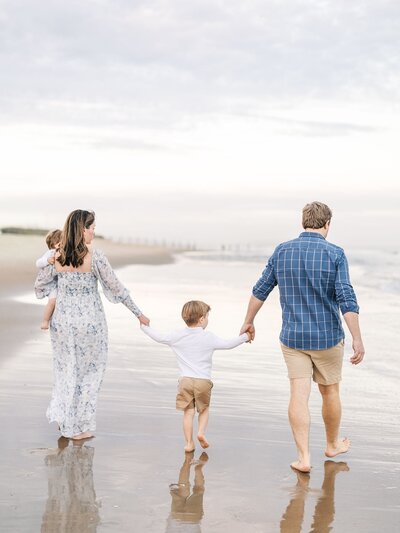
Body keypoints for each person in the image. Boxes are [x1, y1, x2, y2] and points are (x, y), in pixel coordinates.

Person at [240, 201, 365, 473]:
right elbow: (346, 297)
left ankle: (304, 458)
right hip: (328, 337)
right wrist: (357, 338)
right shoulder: (336, 254)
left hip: (293, 337)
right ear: (327, 224)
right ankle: (332, 444)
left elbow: (261, 290)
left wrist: (248, 321)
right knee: (330, 391)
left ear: (303, 222)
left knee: (299, 394)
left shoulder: (282, 251)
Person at [35, 209, 149, 440]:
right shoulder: (95, 257)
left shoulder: (56, 256)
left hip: (63, 324)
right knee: (90, 373)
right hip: (90, 324)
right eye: (92, 228)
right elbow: (117, 289)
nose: (94, 233)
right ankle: (78, 428)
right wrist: (139, 314)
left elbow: (40, 286)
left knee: (66, 371)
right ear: (82, 229)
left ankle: (65, 419)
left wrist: (58, 290)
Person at [141, 300, 250, 452]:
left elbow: (158, 336)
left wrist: (144, 326)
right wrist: (245, 337)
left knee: (188, 412)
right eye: (207, 316)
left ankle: (189, 443)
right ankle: (201, 433)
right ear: (201, 319)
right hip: (203, 381)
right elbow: (228, 344)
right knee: (204, 409)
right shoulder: (208, 337)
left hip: (185, 381)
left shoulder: (176, 336)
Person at [36, 229, 62, 330]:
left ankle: (53, 319)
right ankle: (45, 320)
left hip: (58, 282)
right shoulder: (50, 253)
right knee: (52, 301)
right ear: (55, 244)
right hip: (50, 283)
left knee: (57, 303)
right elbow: (38, 263)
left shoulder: (64, 253)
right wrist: (47, 260)